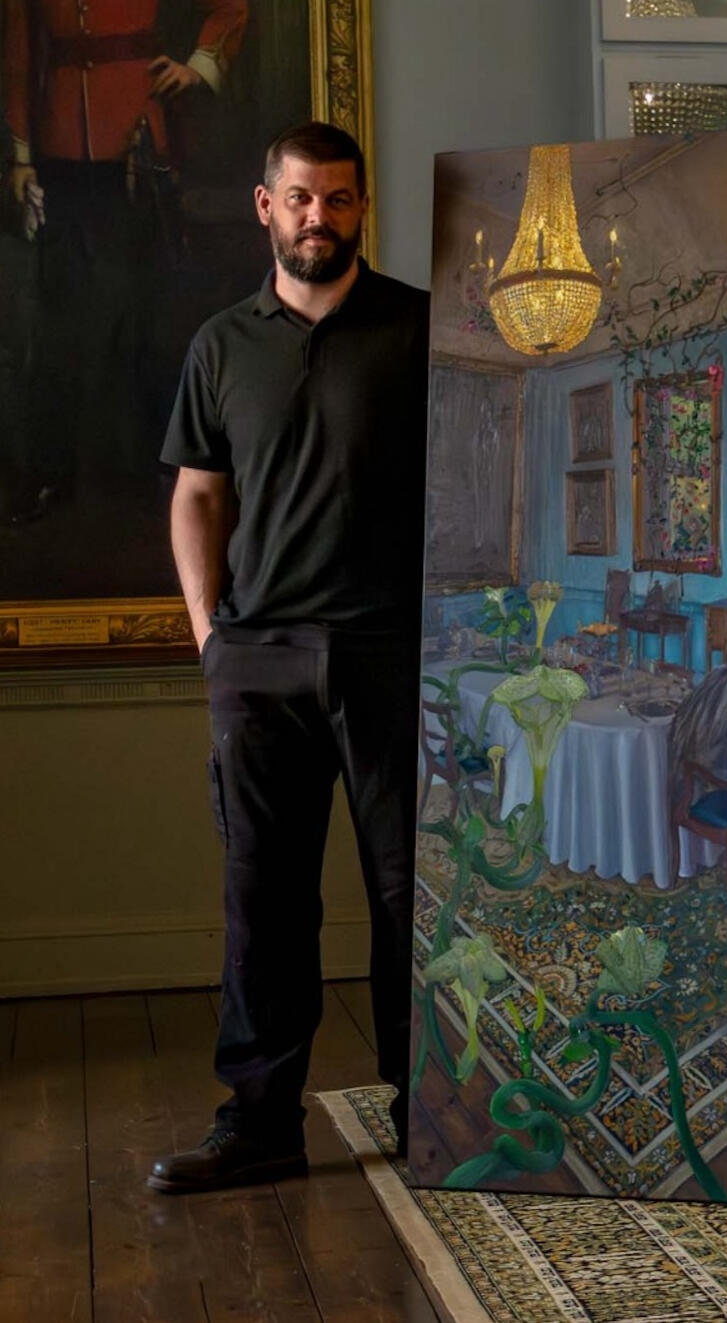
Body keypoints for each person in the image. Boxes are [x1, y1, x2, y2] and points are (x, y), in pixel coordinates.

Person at [151, 120, 428, 1193]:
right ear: (267, 207)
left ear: (364, 208)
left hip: (391, 652)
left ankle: (431, 1112)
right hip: (257, 659)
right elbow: (197, 496)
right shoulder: (222, 344)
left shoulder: (418, 326)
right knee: (264, 898)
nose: (322, 216)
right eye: (302, 198)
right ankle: (259, 1125)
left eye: (342, 198)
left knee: (410, 893)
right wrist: (208, 634)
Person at [2, 0, 249, 520]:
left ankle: (159, 474)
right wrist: (21, 159)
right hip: (59, 149)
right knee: (59, 315)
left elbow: (230, 6)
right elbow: (19, 59)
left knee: (143, 313)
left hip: (137, 140)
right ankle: (56, 474)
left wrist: (199, 65)